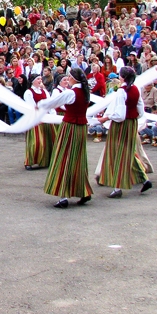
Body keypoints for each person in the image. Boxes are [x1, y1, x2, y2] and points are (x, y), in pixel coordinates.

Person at [96, 66, 152, 198]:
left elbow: (120, 115)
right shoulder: (135, 89)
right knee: (128, 152)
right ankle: (144, 179)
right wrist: (133, 117)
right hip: (132, 123)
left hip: (121, 125)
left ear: (122, 77)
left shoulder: (122, 91)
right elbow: (140, 110)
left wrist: (107, 117)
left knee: (118, 153)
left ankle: (117, 187)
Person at [43, 67, 92, 208]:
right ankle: (84, 191)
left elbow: (51, 103)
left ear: (73, 79)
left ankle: (64, 196)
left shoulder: (71, 92)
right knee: (78, 158)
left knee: (64, 157)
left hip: (70, 126)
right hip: (81, 127)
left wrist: (38, 107)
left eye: (69, 77)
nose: (68, 79)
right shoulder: (84, 91)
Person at [23, 74, 55, 170]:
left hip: (46, 118)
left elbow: (50, 104)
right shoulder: (29, 92)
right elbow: (31, 107)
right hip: (35, 119)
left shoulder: (44, 91)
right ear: (32, 81)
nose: (40, 80)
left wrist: (52, 116)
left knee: (49, 140)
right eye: (38, 79)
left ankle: (47, 160)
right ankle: (30, 162)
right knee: (36, 142)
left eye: (41, 79)